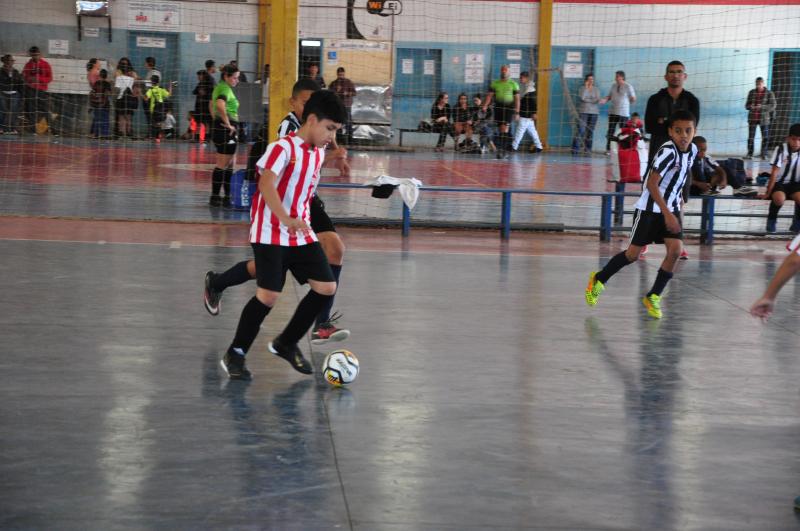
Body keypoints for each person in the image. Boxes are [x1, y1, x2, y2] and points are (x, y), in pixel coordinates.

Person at [205, 80, 351, 345]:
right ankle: (219, 286)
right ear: (294, 103)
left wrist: (337, 155)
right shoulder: (288, 132)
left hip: (303, 201)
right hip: (282, 202)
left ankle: (321, 322)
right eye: (304, 102)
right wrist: (284, 216)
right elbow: (276, 172)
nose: (307, 106)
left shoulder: (321, 132)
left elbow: (322, 148)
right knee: (271, 277)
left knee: (334, 249)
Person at [585, 110, 698, 319]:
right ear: (671, 132)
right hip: (650, 209)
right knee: (632, 255)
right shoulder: (668, 151)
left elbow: (683, 174)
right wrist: (668, 214)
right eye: (678, 130)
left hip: (670, 208)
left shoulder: (692, 151)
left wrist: (680, 198)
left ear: (694, 131)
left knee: (675, 251)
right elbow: (651, 184)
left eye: (688, 130)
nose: (684, 135)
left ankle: (653, 295)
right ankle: (599, 279)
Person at [645, 61, 700, 165]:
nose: (675, 75)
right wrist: (679, 128)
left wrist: (664, 120)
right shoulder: (655, 100)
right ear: (666, 76)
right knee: (653, 181)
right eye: (672, 72)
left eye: (679, 72)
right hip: (658, 152)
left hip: (683, 153)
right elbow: (650, 126)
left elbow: (692, 128)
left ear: (685, 76)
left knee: (683, 181)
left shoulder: (692, 101)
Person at [209, 64, 241, 207]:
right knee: (222, 164)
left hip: (221, 128)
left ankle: (227, 195)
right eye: (234, 78)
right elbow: (220, 104)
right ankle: (216, 197)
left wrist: (216, 119)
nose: (236, 80)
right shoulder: (224, 89)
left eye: (237, 78)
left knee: (230, 164)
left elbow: (211, 105)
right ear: (226, 77)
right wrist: (227, 123)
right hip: (225, 130)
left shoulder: (220, 87)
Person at [759, 123, 800, 234]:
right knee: (779, 199)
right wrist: (768, 193)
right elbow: (774, 173)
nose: (796, 142)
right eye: (794, 139)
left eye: (799, 140)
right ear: (788, 138)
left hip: (796, 184)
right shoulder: (781, 149)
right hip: (779, 183)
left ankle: (797, 223)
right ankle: (771, 219)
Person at [483, 65, 520, 159]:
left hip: (508, 109)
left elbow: (517, 99)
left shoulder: (513, 84)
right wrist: (485, 105)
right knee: (501, 129)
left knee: (504, 127)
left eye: (506, 71)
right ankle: (504, 149)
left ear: (509, 72)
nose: (504, 72)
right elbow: (489, 96)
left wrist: (517, 112)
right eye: (502, 71)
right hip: (498, 108)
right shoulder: (495, 83)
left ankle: (502, 150)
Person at [21, 46, 53, 134]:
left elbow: (50, 78)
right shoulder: (28, 65)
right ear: (31, 55)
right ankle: (33, 130)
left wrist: (39, 79)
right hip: (31, 90)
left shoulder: (45, 64)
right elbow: (24, 76)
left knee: (46, 110)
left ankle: (52, 129)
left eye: (37, 55)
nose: (35, 57)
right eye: (33, 55)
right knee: (31, 110)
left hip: (42, 91)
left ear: (40, 54)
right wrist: (29, 79)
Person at [604, 70, 636, 154]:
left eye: (617, 76)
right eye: (615, 76)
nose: (616, 78)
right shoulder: (613, 86)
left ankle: (622, 149)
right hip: (613, 112)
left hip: (623, 113)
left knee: (623, 132)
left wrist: (632, 100)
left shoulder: (628, 86)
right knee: (611, 131)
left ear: (622, 77)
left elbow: (633, 98)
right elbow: (609, 96)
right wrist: (605, 100)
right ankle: (608, 149)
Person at [745, 77, 777, 160]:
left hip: (764, 119)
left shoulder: (769, 93)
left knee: (765, 137)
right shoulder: (751, 92)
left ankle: (764, 154)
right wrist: (750, 106)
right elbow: (746, 105)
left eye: (759, 84)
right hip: (752, 118)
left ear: (763, 84)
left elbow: (773, 106)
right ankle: (749, 154)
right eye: (756, 84)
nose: (758, 86)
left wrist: (762, 107)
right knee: (751, 137)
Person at [572, 73, 604, 155]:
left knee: (590, 131)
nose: (590, 81)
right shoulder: (582, 88)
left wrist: (587, 100)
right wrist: (586, 88)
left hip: (594, 113)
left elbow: (597, 100)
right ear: (586, 80)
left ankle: (587, 149)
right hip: (583, 112)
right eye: (589, 79)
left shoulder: (596, 89)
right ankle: (575, 149)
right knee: (581, 130)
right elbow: (582, 98)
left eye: (592, 79)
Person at [511, 86, 543, 153]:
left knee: (519, 132)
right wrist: (534, 113)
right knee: (533, 133)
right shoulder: (530, 96)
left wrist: (534, 113)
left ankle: (514, 147)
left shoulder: (528, 96)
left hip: (525, 117)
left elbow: (533, 105)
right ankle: (539, 146)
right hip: (528, 118)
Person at [328, 67, 356, 143]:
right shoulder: (333, 83)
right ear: (337, 74)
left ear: (344, 74)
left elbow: (354, 93)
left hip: (347, 105)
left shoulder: (348, 82)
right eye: (339, 75)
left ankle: (350, 140)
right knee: (337, 121)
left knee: (348, 122)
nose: (341, 76)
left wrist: (347, 93)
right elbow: (329, 94)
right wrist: (336, 91)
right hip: (337, 105)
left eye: (342, 75)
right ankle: (339, 139)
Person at [113, 63, 138, 139]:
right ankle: (129, 133)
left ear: (121, 70)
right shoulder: (131, 79)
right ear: (127, 71)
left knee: (121, 117)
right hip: (129, 99)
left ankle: (121, 133)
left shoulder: (118, 78)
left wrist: (115, 98)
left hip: (120, 99)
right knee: (128, 118)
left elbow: (117, 89)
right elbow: (131, 89)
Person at [143, 75, 171, 142]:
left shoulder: (151, 90)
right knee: (159, 124)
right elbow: (169, 95)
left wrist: (141, 94)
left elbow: (145, 98)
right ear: (158, 82)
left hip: (154, 109)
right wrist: (170, 86)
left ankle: (156, 137)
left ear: (151, 82)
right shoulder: (161, 89)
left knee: (154, 124)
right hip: (161, 109)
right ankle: (158, 137)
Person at [0, 54, 23, 134]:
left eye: (12, 61)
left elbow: (19, 83)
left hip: (14, 94)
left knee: (14, 111)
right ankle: (1, 128)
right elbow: (3, 83)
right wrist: (9, 78)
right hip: (3, 93)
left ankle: (12, 128)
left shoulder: (15, 72)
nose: (10, 63)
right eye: (9, 61)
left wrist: (21, 94)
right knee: (2, 111)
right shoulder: (1, 71)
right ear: (5, 62)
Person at [192, 69, 214, 143]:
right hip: (199, 106)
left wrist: (205, 93)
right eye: (198, 75)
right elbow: (194, 92)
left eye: (199, 75)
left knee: (206, 123)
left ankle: (207, 138)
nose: (198, 77)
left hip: (206, 106)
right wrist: (199, 91)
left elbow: (211, 94)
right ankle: (197, 137)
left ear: (203, 75)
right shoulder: (200, 84)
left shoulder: (209, 83)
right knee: (198, 122)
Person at [88, 68, 112, 139]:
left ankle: (96, 134)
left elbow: (93, 92)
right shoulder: (107, 83)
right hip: (105, 105)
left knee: (97, 119)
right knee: (105, 120)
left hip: (96, 105)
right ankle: (104, 134)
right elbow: (109, 93)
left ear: (99, 75)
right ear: (106, 76)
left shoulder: (96, 83)